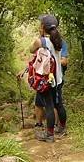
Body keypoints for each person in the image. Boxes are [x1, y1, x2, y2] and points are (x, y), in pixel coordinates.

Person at [27, 14, 67, 142]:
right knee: (58, 104)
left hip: (47, 79)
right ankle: (62, 127)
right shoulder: (60, 41)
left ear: (43, 27)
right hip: (58, 78)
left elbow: (31, 50)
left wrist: (41, 37)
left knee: (49, 106)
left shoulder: (42, 42)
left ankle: (49, 135)